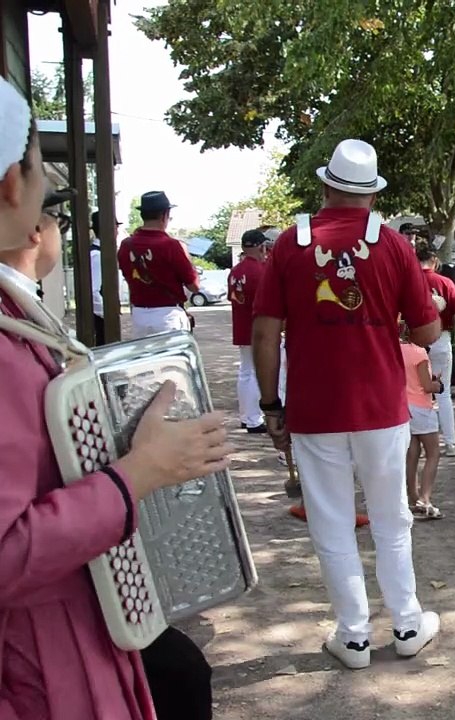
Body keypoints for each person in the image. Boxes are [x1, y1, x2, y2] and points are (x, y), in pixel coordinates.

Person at [0, 81, 231, 719]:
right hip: (37, 654)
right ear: (14, 188)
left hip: (142, 319)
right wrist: (141, 472)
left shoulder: (126, 249)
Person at [252, 138, 442, 670]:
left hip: (315, 409)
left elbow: (266, 334)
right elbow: (427, 328)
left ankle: (353, 634)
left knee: (332, 523)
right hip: (381, 404)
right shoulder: (394, 246)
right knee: (391, 519)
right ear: (373, 197)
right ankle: (407, 624)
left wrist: (271, 405)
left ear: (326, 186)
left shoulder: (290, 243)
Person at [118, 191, 199, 338]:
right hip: (168, 315)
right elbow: (194, 286)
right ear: (164, 215)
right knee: (172, 360)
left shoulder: (126, 245)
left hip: (139, 315)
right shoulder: (171, 245)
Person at [417, 242, 455, 456]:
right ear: (434, 261)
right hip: (441, 338)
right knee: (443, 395)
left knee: (414, 393)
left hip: (413, 341)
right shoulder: (445, 282)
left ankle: (416, 442)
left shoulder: (409, 282)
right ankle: (450, 443)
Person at [229, 229, 273, 433]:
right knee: (257, 373)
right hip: (257, 328)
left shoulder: (236, 270)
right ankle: (254, 419)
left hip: (241, 325)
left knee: (245, 372)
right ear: (260, 246)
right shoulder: (260, 271)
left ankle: (246, 416)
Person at [400, 322, 444, 519]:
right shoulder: (419, 353)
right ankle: (425, 498)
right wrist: (438, 384)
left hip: (403, 406)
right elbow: (426, 386)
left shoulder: (395, 350)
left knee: (412, 453)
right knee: (433, 453)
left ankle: (412, 496)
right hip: (421, 407)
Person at [89, 209, 120, 345]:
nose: (117, 231)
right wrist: (107, 314)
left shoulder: (100, 252)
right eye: (116, 227)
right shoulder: (98, 255)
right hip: (100, 319)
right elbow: (93, 291)